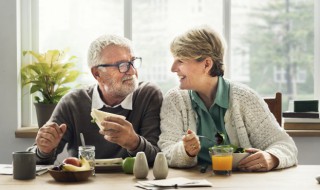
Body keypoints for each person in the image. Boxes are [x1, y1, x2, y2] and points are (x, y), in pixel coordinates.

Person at [158, 26, 298, 172]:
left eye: (180, 61)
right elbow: (166, 151)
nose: (173, 68)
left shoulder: (245, 98)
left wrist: (272, 157)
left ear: (207, 64)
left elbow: (285, 145)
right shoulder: (175, 100)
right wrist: (185, 151)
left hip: (242, 184)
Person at [27, 34, 163, 165]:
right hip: (84, 183)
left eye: (132, 62)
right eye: (122, 65)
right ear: (97, 73)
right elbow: (36, 161)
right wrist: (43, 150)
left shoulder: (148, 95)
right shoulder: (73, 102)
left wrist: (134, 142)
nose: (132, 71)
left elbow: (158, 159)